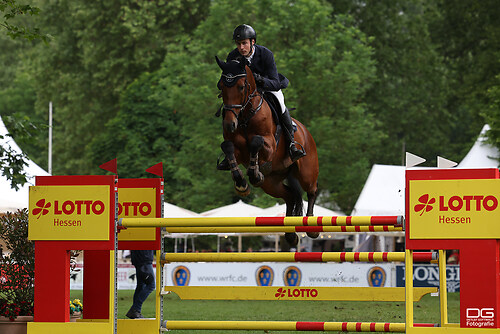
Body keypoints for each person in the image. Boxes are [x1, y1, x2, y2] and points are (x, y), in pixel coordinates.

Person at [217, 24, 306, 171]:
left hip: (268, 87)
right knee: (228, 110)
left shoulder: (265, 54)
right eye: (238, 44)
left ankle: (292, 144)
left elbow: (275, 83)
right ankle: (229, 153)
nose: (241, 47)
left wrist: (260, 80)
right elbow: (230, 78)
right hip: (245, 94)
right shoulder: (233, 56)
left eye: (244, 43)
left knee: (281, 104)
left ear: (252, 42)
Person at [126, 249, 155, 319]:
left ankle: (136, 311)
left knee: (140, 286)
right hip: (144, 259)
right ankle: (135, 309)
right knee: (151, 286)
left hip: (138, 260)